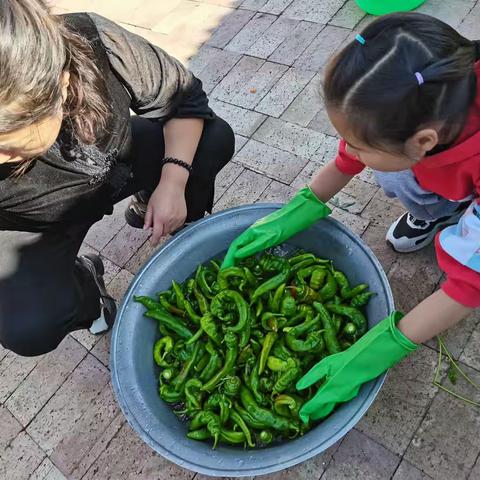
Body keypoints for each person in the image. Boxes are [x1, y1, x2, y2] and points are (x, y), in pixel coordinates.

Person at [222, 12, 480, 422]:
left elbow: (469, 286)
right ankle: (441, 212)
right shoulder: (429, 100)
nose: (349, 151)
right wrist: (300, 207)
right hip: (446, 165)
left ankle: (463, 217)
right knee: (391, 170)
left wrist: (378, 350)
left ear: (424, 140)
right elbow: (350, 159)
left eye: (357, 144)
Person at [0, 0, 234, 357]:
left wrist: (173, 181)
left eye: (9, 147)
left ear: (62, 86)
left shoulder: (89, 41)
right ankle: (87, 288)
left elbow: (184, 100)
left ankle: (150, 199)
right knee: (29, 327)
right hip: (32, 222)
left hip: (114, 163)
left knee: (213, 140)